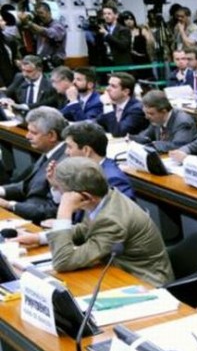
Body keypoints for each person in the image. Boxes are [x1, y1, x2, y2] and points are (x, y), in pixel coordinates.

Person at [19, 157, 172, 286]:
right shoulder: (103, 196)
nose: (59, 196)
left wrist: (64, 211)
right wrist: (40, 238)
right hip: (115, 270)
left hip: (144, 282)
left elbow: (63, 262)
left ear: (84, 197)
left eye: (61, 191)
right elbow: (86, 229)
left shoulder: (111, 219)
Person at [0, 106, 65, 222]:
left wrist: (9, 205)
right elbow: (26, 185)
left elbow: (52, 210)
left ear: (52, 136)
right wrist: (2, 191)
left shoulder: (63, 163)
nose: (27, 136)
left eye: (33, 133)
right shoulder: (50, 152)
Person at [61, 121, 134, 199]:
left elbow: (120, 210)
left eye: (69, 147)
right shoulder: (82, 171)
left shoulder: (113, 180)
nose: (66, 152)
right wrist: (57, 186)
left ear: (86, 150)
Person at [133, 90, 197, 153]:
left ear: (164, 111)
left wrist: (152, 144)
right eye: (145, 113)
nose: (147, 117)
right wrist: (132, 139)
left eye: (151, 114)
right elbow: (145, 136)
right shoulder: (156, 119)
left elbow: (177, 146)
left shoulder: (183, 122)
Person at [95, 72, 145, 137]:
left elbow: (118, 133)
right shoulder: (114, 104)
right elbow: (97, 124)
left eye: (113, 86)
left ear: (125, 92)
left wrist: (107, 105)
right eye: (109, 85)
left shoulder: (137, 109)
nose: (107, 89)